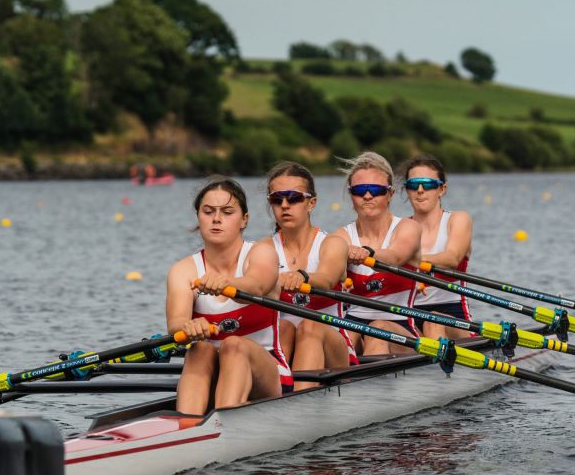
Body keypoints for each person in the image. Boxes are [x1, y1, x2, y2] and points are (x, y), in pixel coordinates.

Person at [166, 176, 291, 414]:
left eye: (227, 212)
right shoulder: (182, 270)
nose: (216, 218)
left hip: (268, 371)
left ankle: (222, 429)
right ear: (198, 218)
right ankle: (187, 425)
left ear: (244, 220)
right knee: (200, 348)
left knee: (233, 345)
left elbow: (256, 286)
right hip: (214, 372)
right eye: (208, 211)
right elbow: (175, 323)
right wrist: (188, 326)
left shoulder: (262, 253)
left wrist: (227, 284)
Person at [264, 161, 357, 390]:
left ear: (311, 203)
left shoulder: (332, 243)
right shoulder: (262, 249)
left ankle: (296, 402)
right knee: (283, 329)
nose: (285, 205)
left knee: (309, 326)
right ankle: (276, 397)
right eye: (277, 199)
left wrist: (301, 276)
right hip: (286, 343)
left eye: (294, 198)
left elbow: (326, 278)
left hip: (334, 348)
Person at [331, 152, 422, 356]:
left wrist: (368, 253)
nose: (367, 196)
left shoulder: (408, 228)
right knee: (341, 335)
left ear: (390, 194)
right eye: (360, 190)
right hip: (353, 324)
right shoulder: (341, 236)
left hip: (399, 325)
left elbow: (396, 256)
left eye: (376, 190)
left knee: (378, 328)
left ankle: (366, 385)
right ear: (351, 194)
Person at [401, 154, 474, 341]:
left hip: (452, 313)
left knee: (433, 322)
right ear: (407, 190)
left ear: (442, 189)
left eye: (427, 184)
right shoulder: (399, 229)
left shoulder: (457, 220)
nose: (419, 190)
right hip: (406, 314)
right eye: (413, 185)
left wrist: (408, 261)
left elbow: (452, 258)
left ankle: (435, 367)